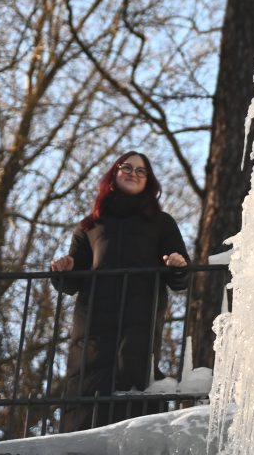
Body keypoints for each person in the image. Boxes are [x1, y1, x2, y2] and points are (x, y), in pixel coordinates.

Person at [50, 151, 190, 432]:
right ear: (113, 175)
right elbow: (72, 281)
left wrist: (177, 264)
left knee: (133, 380)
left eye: (141, 171)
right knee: (88, 387)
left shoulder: (162, 223)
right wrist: (64, 268)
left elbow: (180, 277)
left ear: (148, 181)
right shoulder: (89, 226)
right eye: (127, 167)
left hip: (140, 316)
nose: (133, 173)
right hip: (93, 320)